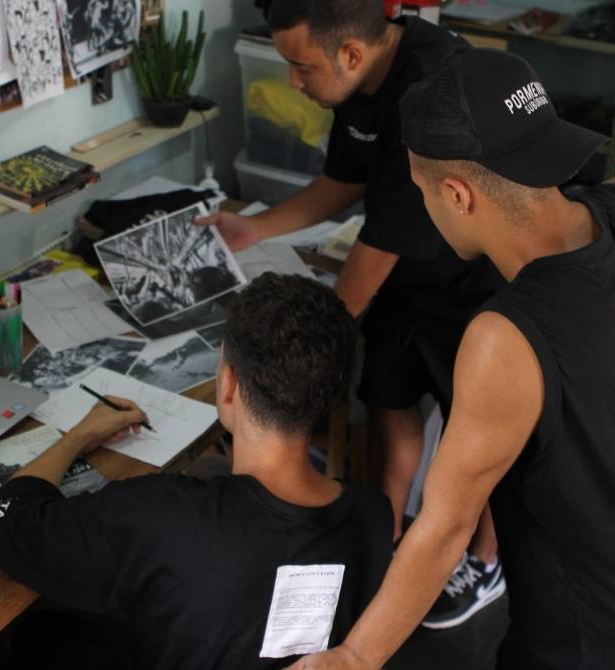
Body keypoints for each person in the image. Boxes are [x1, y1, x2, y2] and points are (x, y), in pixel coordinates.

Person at [290, 49, 615, 669]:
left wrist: (353, 657)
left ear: (456, 194)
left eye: (420, 189)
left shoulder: (506, 339)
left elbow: (446, 529)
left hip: (611, 641)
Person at [198, 0, 507, 628]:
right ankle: (381, 547)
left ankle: (487, 561)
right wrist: (254, 229)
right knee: (392, 409)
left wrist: (292, 346)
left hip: (472, 286)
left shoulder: (431, 87)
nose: (293, 82)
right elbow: (345, 182)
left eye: (299, 67)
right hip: (404, 276)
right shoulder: (354, 80)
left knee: (483, 441)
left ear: (350, 53)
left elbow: (377, 248)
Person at [0, 274, 393, 669]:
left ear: (229, 385)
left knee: (39, 634)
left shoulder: (161, 516)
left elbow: (0, 518)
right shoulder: (373, 517)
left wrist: (77, 436)